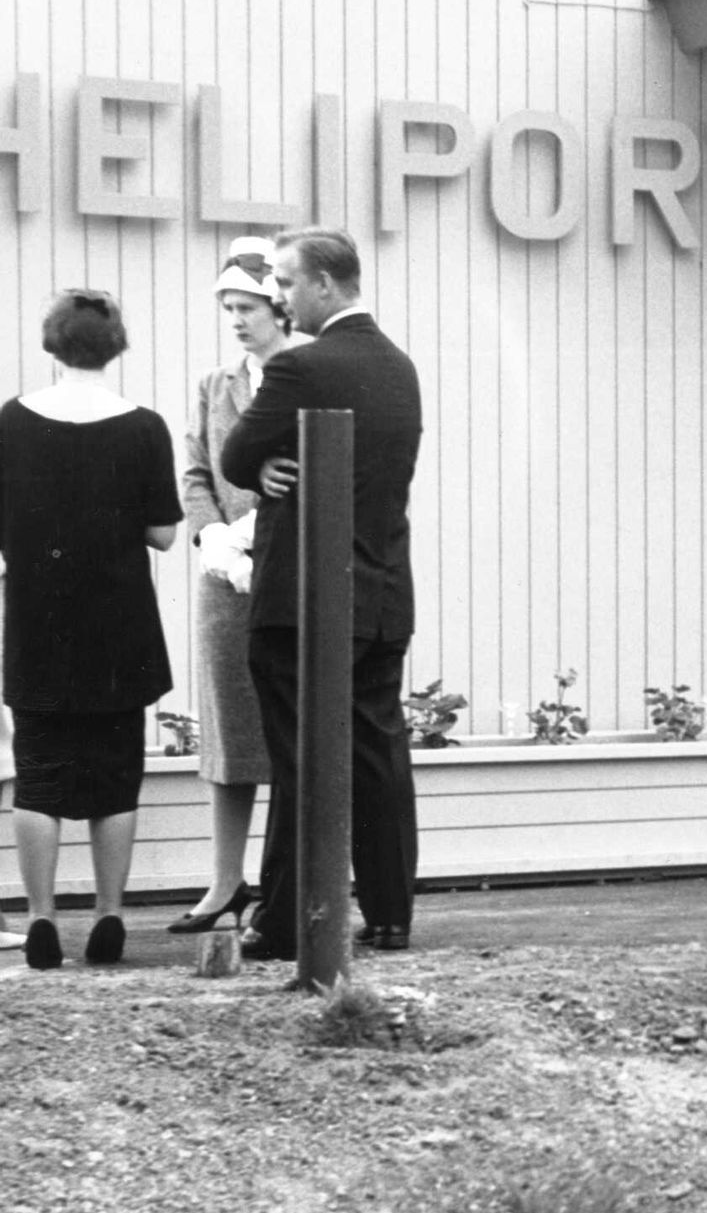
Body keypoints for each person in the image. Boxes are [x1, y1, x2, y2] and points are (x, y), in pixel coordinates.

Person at [221, 227, 425, 959]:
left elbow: (235, 456)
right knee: (378, 753)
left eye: (285, 281)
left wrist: (264, 463)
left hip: (301, 598)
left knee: (299, 759)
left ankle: (287, 921)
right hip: (381, 590)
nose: (278, 296)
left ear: (325, 285)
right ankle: (391, 914)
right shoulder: (400, 367)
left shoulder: (301, 367)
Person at [0, 289, 182, 968]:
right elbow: (164, 533)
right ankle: (109, 913)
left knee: (38, 777)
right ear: (115, 347)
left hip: (38, 621)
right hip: (119, 627)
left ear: (53, 344)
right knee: (116, 778)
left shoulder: (11, 421)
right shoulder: (144, 427)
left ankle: (41, 917)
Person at [170, 237, 291, 934]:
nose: (239, 320)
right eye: (230, 309)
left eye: (249, 307)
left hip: (288, 569)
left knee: (294, 730)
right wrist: (212, 535)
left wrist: (257, 529)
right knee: (230, 731)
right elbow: (195, 470)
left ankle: (300, 880)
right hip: (225, 580)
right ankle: (225, 883)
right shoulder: (216, 385)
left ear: (279, 306)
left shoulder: (307, 373)